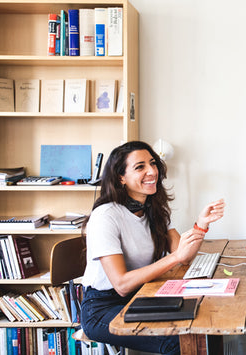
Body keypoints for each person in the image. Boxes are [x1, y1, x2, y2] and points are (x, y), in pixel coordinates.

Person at [80, 141, 225, 355]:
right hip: (102, 308)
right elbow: (121, 284)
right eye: (140, 167)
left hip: (142, 295)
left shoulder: (152, 208)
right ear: (121, 178)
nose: (152, 171)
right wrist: (174, 258)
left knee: (206, 322)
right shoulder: (106, 216)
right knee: (179, 340)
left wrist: (201, 226)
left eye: (153, 163)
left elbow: (184, 257)